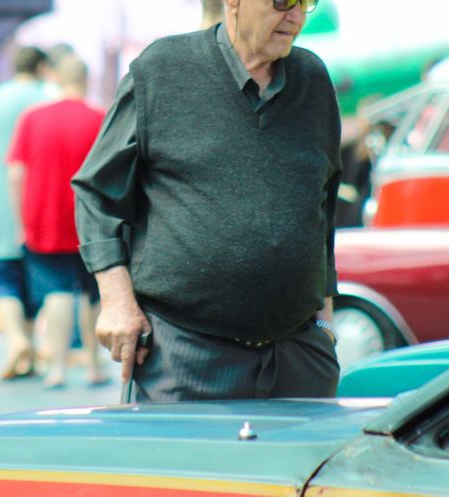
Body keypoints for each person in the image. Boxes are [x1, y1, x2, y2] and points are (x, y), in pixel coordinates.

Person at [72, 0, 341, 402]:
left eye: (305, 3)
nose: (297, 16)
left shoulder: (312, 79)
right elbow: (98, 191)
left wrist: (324, 320)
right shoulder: (163, 69)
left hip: (297, 357)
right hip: (185, 359)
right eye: (282, 1)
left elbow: (324, 199)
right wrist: (116, 300)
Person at [7, 55, 109, 389]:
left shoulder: (33, 117)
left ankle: (58, 370)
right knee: (93, 294)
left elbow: (16, 173)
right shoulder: (101, 118)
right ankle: (94, 365)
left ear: (57, 79)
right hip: (90, 218)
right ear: (87, 80)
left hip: (43, 217)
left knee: (56, 292)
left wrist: (21, 220)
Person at [0, 46, 50, 380]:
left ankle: (17, 341)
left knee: (1, 276)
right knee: (34, 278)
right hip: (39, 201)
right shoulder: (49, 98)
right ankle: (28, 349)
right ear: (41, 67)